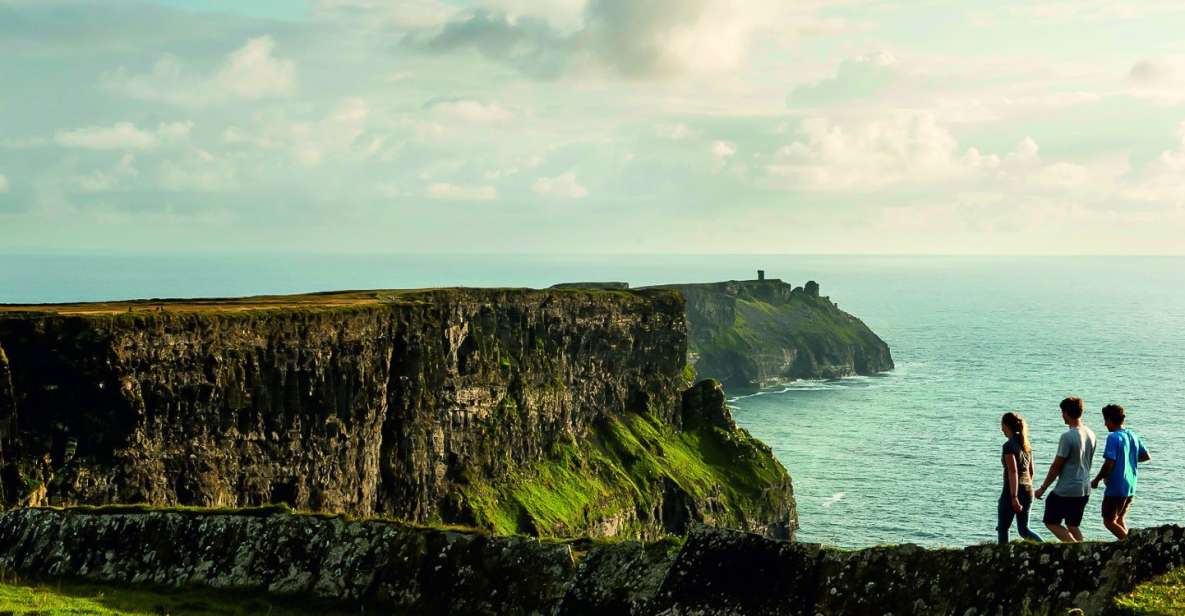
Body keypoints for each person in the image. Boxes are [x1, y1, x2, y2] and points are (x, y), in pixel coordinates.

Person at [1035, 396, 1097, 542]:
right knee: (1072, 525)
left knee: (1051, 521)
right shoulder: (1091, 433)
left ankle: (1073, 547)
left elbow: (1056, 466)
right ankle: (1083, 552)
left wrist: (1042, 488)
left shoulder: (1068, 436)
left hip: (1067, 489)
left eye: (1062, 412)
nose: (1061, 415)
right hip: (1084, 488)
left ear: (1067, 412)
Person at [1091, 404, 1151, 540]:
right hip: (1130, 485)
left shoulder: (1113, 437)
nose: (1105, 424)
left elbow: (1109, 463)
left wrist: (1096, 480)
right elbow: (1146, 455)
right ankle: (1131, 544)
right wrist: (1129, 461)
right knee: (1119, 520)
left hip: (1116, 486)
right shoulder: (1132, 435)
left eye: (1105, 420)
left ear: (1110, 420)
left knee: (1108, 521)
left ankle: (1131, 546)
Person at [997, 412, 1043, 544]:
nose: (1001, 429)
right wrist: (1027, 488)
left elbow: (1013, 471)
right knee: (1024, 529)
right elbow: (1031, 471)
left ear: (1006, 426)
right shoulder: (1026, 445)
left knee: (1003, 528)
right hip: (1028, 489)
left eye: (1002, 426)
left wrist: (1014, 497)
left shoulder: (1008, 446)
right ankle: (1045, 547)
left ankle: (1003, 557)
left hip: (1012, 491)